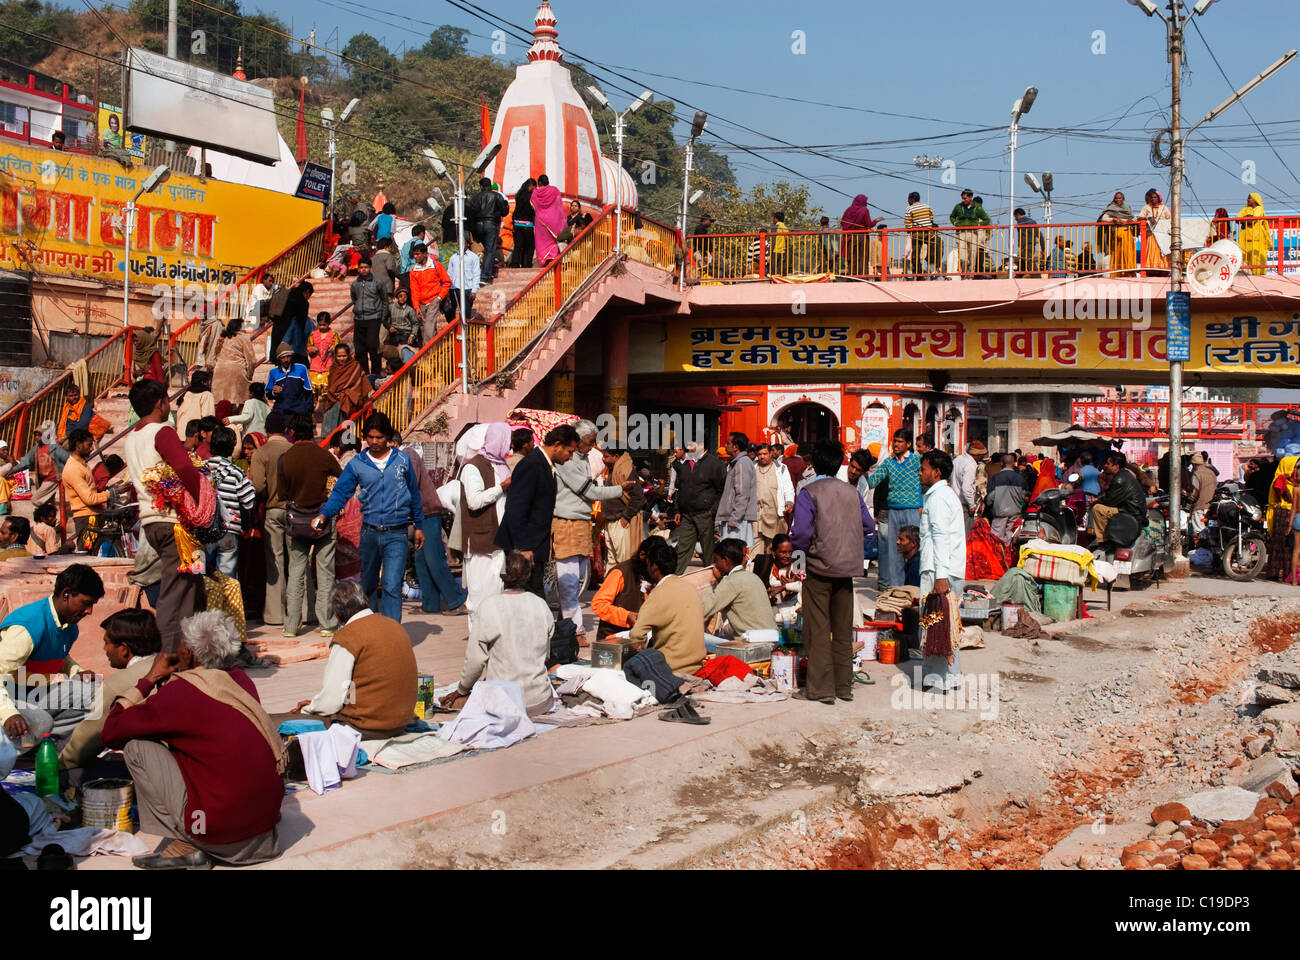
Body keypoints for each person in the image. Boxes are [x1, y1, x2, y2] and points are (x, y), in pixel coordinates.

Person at [101, 611, 284, 869]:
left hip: (222, 835)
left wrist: (149, 679)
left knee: (136, 747)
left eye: (181, 644)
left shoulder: (184, 690)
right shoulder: (241, 680)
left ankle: (188, 842)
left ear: (191, 653)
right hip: (265, 832)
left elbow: (111, 732)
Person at [315, 412, 424, 622]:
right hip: (369, 533)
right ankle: (371, 630)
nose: (374, 442)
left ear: (388, 437)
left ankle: (393, 634)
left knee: (392, 585)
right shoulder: (357, 463)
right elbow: (341, 492)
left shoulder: (402, 460)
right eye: (370, 437)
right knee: (368, 586)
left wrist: (419, 525)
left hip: (397, 533)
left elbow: (414, 494)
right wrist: (324, 514)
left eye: (379, 437)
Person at [790, 441, 876, 704]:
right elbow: (868, 525)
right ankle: (843, 686)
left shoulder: (809, 491)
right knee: (841, 629)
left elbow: (801, 533)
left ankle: (821, 689)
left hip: (818, 567)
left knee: (818, 629)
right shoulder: (851, 492)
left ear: (813, 463)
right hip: (846, 569)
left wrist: (798, 562)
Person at [124, 379, 205, 652]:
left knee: (192, 584)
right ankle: (169, 655)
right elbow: (184, 467)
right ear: (160, 403)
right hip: (175, 524)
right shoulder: (162, 431)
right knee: (176, 588)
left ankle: (192, 649)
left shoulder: (132, 437)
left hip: (152, 522)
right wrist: (200, 499)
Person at [286, 581, 415, 737]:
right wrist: (316, 705)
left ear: (337, 614)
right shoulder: (394, 625)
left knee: (280, 723)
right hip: (401, 723)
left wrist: (309, 709)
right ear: (365, 601)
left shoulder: (347, 637)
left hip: (367, 727)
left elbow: (331, 701)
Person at [0, 564, 104, 751]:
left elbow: (59, 653)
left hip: (31, 693)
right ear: (66, 594)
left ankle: (46, 748)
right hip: (7, 695)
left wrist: (76, 671)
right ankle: (9, 752)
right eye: (86, 603)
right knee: (41, 723)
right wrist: (8, 714)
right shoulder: (27, 628)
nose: (89, 611)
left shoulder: (69, 626)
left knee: (96, 693)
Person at [440, 551, 554, 717]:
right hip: (540, 701)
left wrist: (462, 689)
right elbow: (546, 654)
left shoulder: (489, 606)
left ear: (502, 575)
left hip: (502, 703)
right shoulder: (541, 605)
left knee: (454, 702)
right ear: (528, 575)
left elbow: (475, 660)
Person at [553, 421, 633, 641]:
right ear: (577, 442)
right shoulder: (567, 462)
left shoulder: (582, 459)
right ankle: (575, 630)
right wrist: (620, 489)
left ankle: (565, 626)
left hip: (580, 522)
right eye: (589, 442)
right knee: (569, 582)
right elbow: (589, 491)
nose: (593, 447)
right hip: (567, 522)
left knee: (577, 581)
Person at [59, 609, 160, 771]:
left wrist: (56, 766)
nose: (105, 649)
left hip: (151, 767)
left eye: (107, 643)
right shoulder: (174, 665)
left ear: (124, 649)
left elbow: (85, 743)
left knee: (72, 772)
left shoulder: (116, 685)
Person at [278, 415, 344, 637]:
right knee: (325, 572)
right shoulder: (323, 456)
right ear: (313, 434)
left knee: (295, 572)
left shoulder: (285, 458)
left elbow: (282, 493)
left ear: (293, 434)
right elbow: (342, 479)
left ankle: (290, 626)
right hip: (323, 519)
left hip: (297, 520)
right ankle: (326, 624)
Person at [496, 423, 579, 598]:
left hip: (535, 545)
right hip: (524, 547)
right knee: (528, 597)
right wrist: (523, 547)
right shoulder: (532, 465)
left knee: (533, 596)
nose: (571, 457)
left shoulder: (546, 465)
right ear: (557, 445)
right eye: (569, 451)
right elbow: (516, 508)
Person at [917, 450, 967, 693]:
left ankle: (938, 678)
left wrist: (940, 576)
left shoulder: (938, 498)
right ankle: (951, 676)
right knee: (949, 623)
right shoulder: (945, 495)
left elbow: (940, 537)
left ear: (936, 472)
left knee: (935, 622)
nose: (920, 472)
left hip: (939, 569)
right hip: (947, 568)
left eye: (923, 468)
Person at [404, 438, 466, 617]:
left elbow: (411, 485)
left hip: (428, 513)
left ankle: (457, 601)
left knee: (434, 559)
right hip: (419, 515)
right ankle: (430, 604)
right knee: (421, 560)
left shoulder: (408, 456)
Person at [457, 423, 512, 625]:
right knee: (480, 596)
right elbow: (474, 501)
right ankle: (477, 643)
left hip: (498, 538)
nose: (509, 445)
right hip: (481, 540)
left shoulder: (500, 465)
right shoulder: (473, 467)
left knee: (496, 593)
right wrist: (502, 487)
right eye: (507, 441)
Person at [628, 537, 707, 674]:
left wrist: (642, 652)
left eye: (647, 565)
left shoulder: (658, 593)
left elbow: (636, 635)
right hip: (697, 664)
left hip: (672, 667)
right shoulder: (690, 588)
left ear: (654, 567)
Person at [250, 412, 292, 626]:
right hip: (295, 511)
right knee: (297, 561)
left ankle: (275, 614)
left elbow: (258, 487)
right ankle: (302, 611)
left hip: (273, 510)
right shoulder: (294, 450)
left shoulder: (261, 453)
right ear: (286, 429)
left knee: (275, 561)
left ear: (266, 429)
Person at [868, 429, 923, 589]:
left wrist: (922, 503)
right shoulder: (888, 463)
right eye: (895, 441)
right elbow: (873, 481)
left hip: (912, 510)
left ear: (908, 444)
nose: (896, 444)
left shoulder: (916, 460)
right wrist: (861, 473)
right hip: (893, 511)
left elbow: (928, 478)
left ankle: (913, 587)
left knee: (914, 550)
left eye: (900, 441)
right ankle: (897, 590)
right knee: (895, 551)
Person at [702, 538, 777, 651]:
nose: (715, 565)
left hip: (751, 645)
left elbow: (704, 610)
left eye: (717, 560)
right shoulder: (753, 577)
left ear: (726, 560)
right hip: (771, 640)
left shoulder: (731, 582)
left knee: (700, 639)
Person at [204, 426, 254, 577]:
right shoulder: (236, 472)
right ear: (232, 448)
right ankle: (225, 601)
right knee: (227, 579)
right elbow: (249, 501)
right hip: (229, 531)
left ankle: (200, 601)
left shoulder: (201, 468)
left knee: (199, 576)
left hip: (202, 532)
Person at [63, 428, 114, 548]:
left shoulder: (81, 464)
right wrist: (111, 493)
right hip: (86, 519)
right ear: (78, 445)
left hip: (94, 515)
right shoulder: (73, 468)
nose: (92, 448)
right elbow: (89, 498)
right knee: (88, 555)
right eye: (89, 445)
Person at [1090, 451, 1148, 543]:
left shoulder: (1119, 479)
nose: (1105, 466)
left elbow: (1109, 500)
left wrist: (1096, 501)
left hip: (1131, 512)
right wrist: (1098, 498)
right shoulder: (1123, 475)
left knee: (1098, 509)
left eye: (1108, 464)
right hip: (1132, 510)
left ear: (1116, 466)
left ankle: (1103, 540)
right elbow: (1109, 493)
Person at [602, 446, 645, 567]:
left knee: (623, 561)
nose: (602, 459)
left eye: (606, 456)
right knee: (611, 560)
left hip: (620, 521)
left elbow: (639, 497)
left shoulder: (625, 469)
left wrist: (626, 517)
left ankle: (625, 585)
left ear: (616, 456)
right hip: (610, 520)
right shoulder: (612, 469)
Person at [318, 343, 370, 438]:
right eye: (339, 356)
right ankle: (327, 438)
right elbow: (332, 386)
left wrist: (346, 394)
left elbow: (358, 386)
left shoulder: (355, 366)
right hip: (333, 399)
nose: (341, 358)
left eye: (344, 356)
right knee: (329, 414)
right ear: (335, 356)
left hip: (349, 400)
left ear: (349, 355)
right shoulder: (333, 367)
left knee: (341, 409)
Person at [716, 432, 757, 548]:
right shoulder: (738, 462)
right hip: (736, 518)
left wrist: (734, 519)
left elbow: (742, 494)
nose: (725, 445)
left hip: (737, 520)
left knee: (733, 555)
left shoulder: (742, 463)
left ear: (735, 447)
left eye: (728, 443)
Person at [465, 176, 509, 285]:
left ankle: (487, 271)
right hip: (491, 224)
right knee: (490, 250)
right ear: (490, 185)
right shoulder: (497, 196)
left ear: (481, 186)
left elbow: (471, 214)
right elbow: (504, 211)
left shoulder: (475, 198)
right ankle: (485, 276)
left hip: (478, 225)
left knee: (487, 249)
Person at [753, 442, 794, 555]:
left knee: (773, 548)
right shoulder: (753, 467)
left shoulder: (781, 468)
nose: (762, 456)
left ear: (771, 453)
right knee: (756, 550)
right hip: (756, 514)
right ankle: (756, 571)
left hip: (774, 514)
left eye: (765, 454)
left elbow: (788, 487)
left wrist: (789, 502)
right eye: (760, 454)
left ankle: (771, 571)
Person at [749, 533, 802, 620]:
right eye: (783, 552)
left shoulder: (795, 569)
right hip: (760, 611)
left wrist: (792, 585)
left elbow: (804, 590)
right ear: (773, 552)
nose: (788, 556)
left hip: (787, 613)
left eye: (790, 552)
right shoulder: (762, 563)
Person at [350, 257, 388, 377]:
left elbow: (385, 300)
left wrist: (383, 316)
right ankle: (364, 374)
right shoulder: (355, 284)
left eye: (366, 267)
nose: (363, 270)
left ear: (370, 268)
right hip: (359, 318)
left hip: (374, 318)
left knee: (373, 346)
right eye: (361, 267)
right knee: (360, 349)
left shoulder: (378, 282)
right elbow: (354, 299)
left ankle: (376, 373)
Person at [409, 243, 451, 344]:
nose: (416, 256)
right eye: (414, 254)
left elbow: (447, 282)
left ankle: (427, 354)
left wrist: (439, 298)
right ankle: (436, 353)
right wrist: (416, 306)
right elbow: (414, 290)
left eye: (418, 254)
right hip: (422, 304)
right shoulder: (414, 270)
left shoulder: (436, 265)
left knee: (429, 328)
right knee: (425, 330)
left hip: (434, 300)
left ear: (425, 254)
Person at [211, 317, 259, 408]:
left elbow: (215, 356)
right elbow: (251, 360)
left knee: (220, 403)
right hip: (237, 371)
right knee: (238, 403)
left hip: (219, 372)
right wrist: (249, 375)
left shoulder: (222, 338)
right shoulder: (244, 338)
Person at [987, 453, 1029, 542]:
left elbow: (990, 498)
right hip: (1015, 513)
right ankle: (1008, 554)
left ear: (1002, 463)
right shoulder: (1020, 479)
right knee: (1012, 537)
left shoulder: (995, 478)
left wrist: (989, 505)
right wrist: (1021, 504)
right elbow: (1024, 497)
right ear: (1014, 463)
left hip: (999, 513)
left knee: (996, 539)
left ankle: (997, 554)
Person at [266, 343, 313, 418]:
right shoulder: (273, 372)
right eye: (283, 357)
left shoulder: (301, 369)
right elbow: (268, 394)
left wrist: (308, 412)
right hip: (280, 411)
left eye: (288, 356)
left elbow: (308, 392)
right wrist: (274, 392)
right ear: (279, 358)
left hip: (298, 412)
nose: (286, 360)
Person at [949, 189, 991, 274]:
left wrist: (978, 225)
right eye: (963, 198)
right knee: (962, 256)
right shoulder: (958, 207)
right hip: (962, 233)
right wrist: (956, 223)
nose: (963, 200)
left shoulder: (977, 208)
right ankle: (964, 273)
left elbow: (987, 219)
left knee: (973, 254)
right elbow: (952, 216)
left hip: (973, 233)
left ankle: (971, 273)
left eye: (965, 198)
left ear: (970, 197)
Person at [532, 174, 567, 266]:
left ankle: (544, 259)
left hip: (540, 220)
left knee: (542, 241)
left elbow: (533, 205)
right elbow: (559, 205)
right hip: (553, 219)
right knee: (552, 240)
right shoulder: (554, 190)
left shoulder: (535, 192)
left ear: (539, 182)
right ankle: (553, 257)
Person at [1097, 191, 1136, 274]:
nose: (1118, 199)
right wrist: (1113, 220)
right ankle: (1117, 272)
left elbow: (1133, 218)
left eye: (1120, 198)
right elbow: (1103, 218)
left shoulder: (1127, 207)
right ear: (1114, 199)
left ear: (1123, 199)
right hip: (1115, 234)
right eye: (1116, 198)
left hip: (1127, 233)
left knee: (1128, 254)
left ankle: (1129, 272)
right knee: (1117, 254)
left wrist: (1130, 221)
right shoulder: (1111, 207)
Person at [839, 194, 879, 275]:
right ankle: (863, 275)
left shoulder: (848, 210)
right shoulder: (864, 210)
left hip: (850, 237)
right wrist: (876, 220)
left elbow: (843, 223)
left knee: (852, 258)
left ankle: (852, 275)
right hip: (862, 237)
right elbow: (869, 224)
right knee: (863, 257)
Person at [951, 439, 986, 530]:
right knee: (965, 533)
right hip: (963, 504)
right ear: (978, 455)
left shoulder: (958, 459)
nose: (982, 458)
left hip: (954, 500)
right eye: (982, 456)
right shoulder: (970, 464)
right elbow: (966, 488)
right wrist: (971, 506)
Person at [903, 191, 940, 276]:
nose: (907, 201)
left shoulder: (909, 208)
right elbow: (931, 218)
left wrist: (914, 227)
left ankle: (919, 273)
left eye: (908, 199)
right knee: (933, 251)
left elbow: (908, 225)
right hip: (929, 232)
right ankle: (934, 269)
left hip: (917, 234)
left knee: (915, 255)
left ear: (912, 199)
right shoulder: (927, 206)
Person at [444, 243, 481, 324]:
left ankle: (466, 333)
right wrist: (446, 289)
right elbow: (449, 274)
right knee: (448, 311)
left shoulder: (473, 257)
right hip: (453, 289)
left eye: (463, 241)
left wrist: (474, 290)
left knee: (465, 313)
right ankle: (452, 328)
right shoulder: (453, 257)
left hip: (467, 289)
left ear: (467, 244)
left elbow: (476, 274)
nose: (460, 244)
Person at [1238, 192, 1271, 276]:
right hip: (1246, 239)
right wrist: (1248, 218)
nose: (1248, 200)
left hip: (1257, 239)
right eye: (1248, 198)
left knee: (1257, 259)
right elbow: (1238, 220)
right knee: (1246, 259)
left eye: (1250, 198)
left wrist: (1245, 219)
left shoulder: (1259, 209)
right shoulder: (1244, 209)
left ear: (1255, 200)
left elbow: (1252, 221)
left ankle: (1259, 276)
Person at [306, 312, 340, 392]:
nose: (322, 327)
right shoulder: (313, 334)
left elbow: (339, 348)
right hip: (316, 364)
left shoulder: (333, 334)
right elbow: (308, 347)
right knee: (314, 387)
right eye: (320, 325)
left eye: (324, 325)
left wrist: (334, 348)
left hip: (329, 363)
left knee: (327, 387)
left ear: (329, 323)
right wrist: (312, 349)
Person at [1188, 452, 1219, 538]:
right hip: (1212, 506)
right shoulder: (1211, 472)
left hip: (1200, 506)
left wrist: (1190, 500)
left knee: (1199, 532)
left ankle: (1200, 549)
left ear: (1193, 464)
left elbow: (1195, 492)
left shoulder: (1196, 473)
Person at [1139, 189, 1171, 271]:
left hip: (1162, 235)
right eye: (1152, 197)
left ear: (1158, 198)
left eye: (1155, 197)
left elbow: (1170, 219)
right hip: (1151, 235)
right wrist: (1148, 218)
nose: (1153, 199)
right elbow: (1139, 217)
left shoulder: (1164, 208)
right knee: (1152, 252)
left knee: (1163, 252)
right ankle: (1152, 269)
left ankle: (1163, 269)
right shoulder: (1146, 208)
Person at [510, 178, 537, 268]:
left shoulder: (519, 195)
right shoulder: (531, 196)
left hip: (517, 224)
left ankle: (515, 264)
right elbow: (532, 210)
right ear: (531, 186)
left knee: (518, 246)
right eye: (534, 187)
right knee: (530, 246)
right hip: (527, 224)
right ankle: (527, 264)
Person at [385, 289, 418, 360]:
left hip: (405, 334)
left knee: (405, 353)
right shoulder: (391, 307)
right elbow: (384, 318)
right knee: (392, 355)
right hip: (394, 334)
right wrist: (389, 327)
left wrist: (412, 335)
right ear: (397, 297)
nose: (403, 298)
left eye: (405, 296)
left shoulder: (410, 310)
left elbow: (415, 324)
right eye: (400, 296)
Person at [1014, 208, 1045, 275]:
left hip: (1025, 246)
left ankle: (1037, 277)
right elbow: (1040, 236)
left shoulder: (1020, 222)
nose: (1015, 219)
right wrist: (1043, 248)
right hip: (1031, 246)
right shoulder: (1032, 221)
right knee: (1023, 263)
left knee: (1030, 263)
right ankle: (1019, 276)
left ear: (1018, 215)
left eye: (1015, 217)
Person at [896, 523, 921, 588]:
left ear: (913, 543)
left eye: (901, 539)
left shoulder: (916, 568)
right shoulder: (913, 562)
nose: (897, 542)